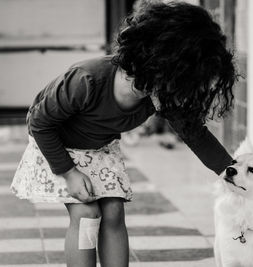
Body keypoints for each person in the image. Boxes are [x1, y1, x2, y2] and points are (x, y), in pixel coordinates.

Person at [10, 2, 236, 267]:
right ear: (160, 63)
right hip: (56, 145)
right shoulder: (87, 80)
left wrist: (231, 170)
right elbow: (39, 123)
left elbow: (194, 134)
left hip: (100, 149)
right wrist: (69, 173)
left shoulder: (159, 91)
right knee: (86, 213)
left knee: (114, 211)